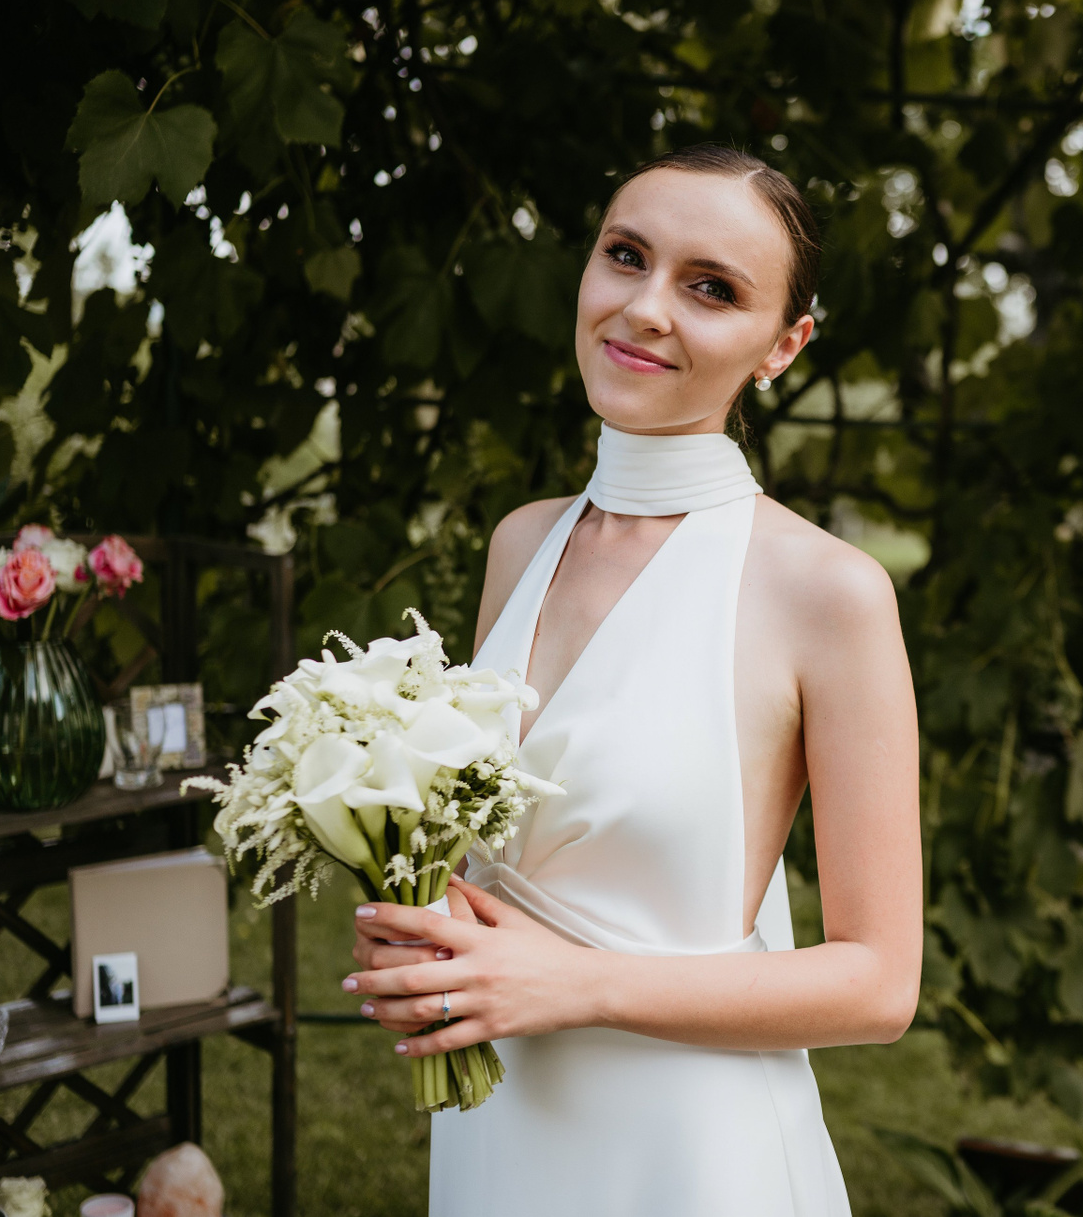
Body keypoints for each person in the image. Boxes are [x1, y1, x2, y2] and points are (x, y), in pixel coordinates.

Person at [342, 145, 922, 1216]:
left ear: (783, 346)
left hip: (690, 1156)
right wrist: (422, 925)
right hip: (496, 1136)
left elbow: (880, 983)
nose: (646, 308)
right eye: (626, 256)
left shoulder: (827, 591)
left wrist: (578, 982)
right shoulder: (521, 544)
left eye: (712, 288)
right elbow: (500, 857)